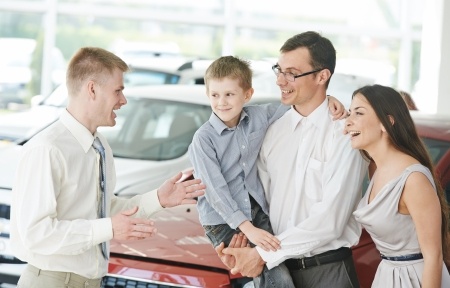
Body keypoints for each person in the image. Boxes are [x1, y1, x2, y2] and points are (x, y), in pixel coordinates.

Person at [10, 47, 205, 288]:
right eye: (118, 91)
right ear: (92, 89)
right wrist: (109, 228)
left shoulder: (99, 145)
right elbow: (36, 234)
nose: (123, 100)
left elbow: (105, 210)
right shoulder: (47, 149)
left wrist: (159, 199)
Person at [215, 31, 369, 288]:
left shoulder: (345, 134)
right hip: (277, 272)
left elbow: (330, 221)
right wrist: (240, 246)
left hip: (327, 272)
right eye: (279, 70)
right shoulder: (273, 130)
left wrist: (262, 254)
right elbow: (259, 202)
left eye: (292, 73)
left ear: (322, 76)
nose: (280, 81)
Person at [188, 55, 347, 287]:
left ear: (247, 94)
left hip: (256, 212)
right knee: (277, 279)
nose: (221, 102)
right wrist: (248, 229)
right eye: (215, 95)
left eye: (229, 94)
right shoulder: (203, 139)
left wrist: (329, 99)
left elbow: (301, 103)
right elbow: (215, 192)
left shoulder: (259, 117)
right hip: (222, 219)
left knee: (276, 269)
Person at [345, 84, 450, 287]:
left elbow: (434, 257)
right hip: (387, 275)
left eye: (358, 113)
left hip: (415, 279)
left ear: (387, 122)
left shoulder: (413, 179)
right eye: (350, 112)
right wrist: (331, 103)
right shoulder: (375, 168)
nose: (348, 122)